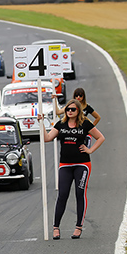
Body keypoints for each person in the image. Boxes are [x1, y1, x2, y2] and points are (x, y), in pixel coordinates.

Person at [37, 99, 105, 240]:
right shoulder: (61, 124)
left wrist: (90, 150)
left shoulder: (85, 124)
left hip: (82, 164)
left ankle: (78, 227)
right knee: (62, 194)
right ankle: (56, 228)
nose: (69, 111)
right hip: (65, 165)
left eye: (73, 109)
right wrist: (41, 123)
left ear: (78, 111)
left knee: (80, 193)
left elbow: (100, 137)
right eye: (68, 109)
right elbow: (47, 138)